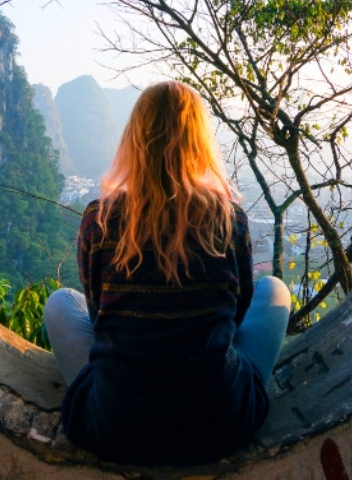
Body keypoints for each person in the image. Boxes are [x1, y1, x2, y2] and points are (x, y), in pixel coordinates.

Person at [43, 81, 291, 466]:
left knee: (60, 303)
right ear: (200, 142)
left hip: (116, 425)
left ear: (134, 139)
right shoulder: (229, 221)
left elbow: (99, 316)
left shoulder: (101, 219)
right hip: (220, 422)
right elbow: (237, 314)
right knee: (274, 290)